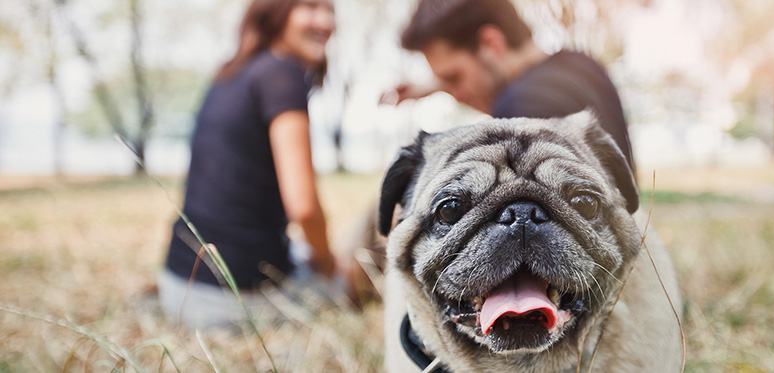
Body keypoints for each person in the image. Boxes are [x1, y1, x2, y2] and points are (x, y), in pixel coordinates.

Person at [160, 0, 343, 328]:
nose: (326, 21)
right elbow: (303, 209)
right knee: (353, 272)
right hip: (234, 301)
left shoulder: (233, 71)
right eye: (311, 6)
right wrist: (329, 264)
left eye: (330, 9)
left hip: (178, 285)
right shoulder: (282, 73)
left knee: (303, 252)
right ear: (275, 12)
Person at [387, 0, 638, 181]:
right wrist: (439, 83)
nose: (457, 95)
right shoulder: (583, 65)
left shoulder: (518, 107)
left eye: (454, 77)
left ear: (490, 43)